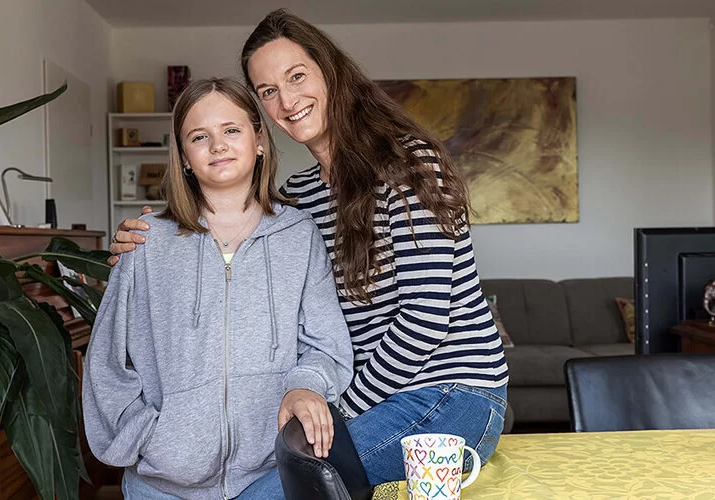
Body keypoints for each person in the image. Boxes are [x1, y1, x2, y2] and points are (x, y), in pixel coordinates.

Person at [110, 8, 509, 497]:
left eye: (296, 76)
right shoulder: (299, 199)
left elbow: (425, 320)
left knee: (271, 490)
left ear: (330, 72)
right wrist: (151, 237)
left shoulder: (407, 163)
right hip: (377, 397)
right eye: (268, 91)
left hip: (450, 393)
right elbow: (233, 234)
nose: (287, 100)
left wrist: (335, 407)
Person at [83, 77, 353, 500]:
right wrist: (146, 438)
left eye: (231, 130)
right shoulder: (146, 240)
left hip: (271, 479)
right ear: (185, 157)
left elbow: (327, 343)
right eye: (199, 136)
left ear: (258, 140)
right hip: (162, 485)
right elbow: (106, 362)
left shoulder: (299, 235)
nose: (218, 145)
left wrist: (307, 384)